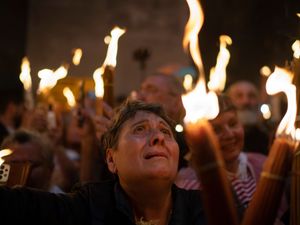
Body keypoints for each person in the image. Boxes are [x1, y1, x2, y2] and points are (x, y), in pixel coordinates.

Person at [0, 100, 206, 225]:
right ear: (111, 159)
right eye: (140, 129)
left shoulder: (207, 209)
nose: (158, 138)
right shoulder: (88, 207)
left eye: (165, 132)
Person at [175, 94, 288, 224]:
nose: (229, 135)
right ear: (194, 140)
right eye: (216, 130)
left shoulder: (263, 164)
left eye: (233, 124)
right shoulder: (189, 187)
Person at [226, 80, 270, 154]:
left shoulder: (268, 138)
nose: (246, 101)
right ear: (229, 101)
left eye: (251, 96)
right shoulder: (224, 138)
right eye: (239, 96)